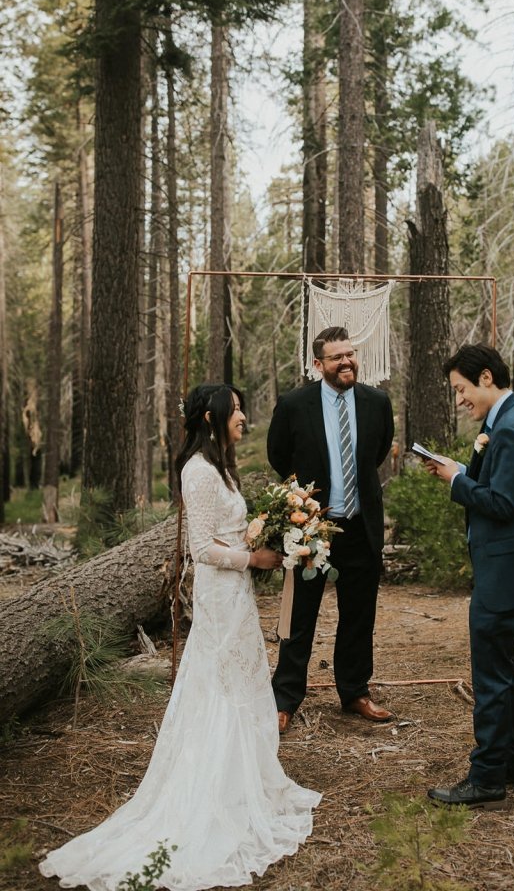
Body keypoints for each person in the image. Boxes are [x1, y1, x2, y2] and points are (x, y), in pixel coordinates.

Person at [39, 383, 321, 891]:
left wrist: (261, 536)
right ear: (212, 418)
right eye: (235, 410)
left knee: (239, 682)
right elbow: (202, 550)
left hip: (236, 594)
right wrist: (252, 558)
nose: (243, 417)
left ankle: (245, 779)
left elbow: (227, 533)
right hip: (219, 593)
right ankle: (211, 790)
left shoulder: (222, 468)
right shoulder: (197, 471)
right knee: (220, 686)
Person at [423, 344, 514, 810]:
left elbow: (502, 503)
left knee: (492, 674)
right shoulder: (502, 421)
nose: (459, 399)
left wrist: (457, 484)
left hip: (507, 571)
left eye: (460, 389)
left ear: (485, 378)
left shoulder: (513, 428)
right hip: (508, 566)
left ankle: (487, 779)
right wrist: (460, 469)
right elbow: (501, 488)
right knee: (506, 664)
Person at [267, 326, 395, 734]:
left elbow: (374, 454)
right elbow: (278, 456)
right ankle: (285, 699)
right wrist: (305, 504)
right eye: (337, 356)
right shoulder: (293, 404)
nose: (346, 362)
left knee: (359, 615)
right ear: (318, 364)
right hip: (312, 529)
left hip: (360, 526)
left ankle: (355, 692)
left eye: (350, 354)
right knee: (300, 616)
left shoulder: (377, 403)